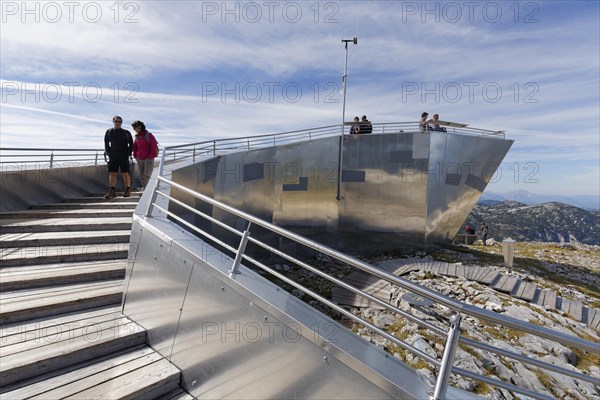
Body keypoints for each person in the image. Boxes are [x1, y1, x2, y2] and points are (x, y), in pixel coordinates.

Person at [104, 116, 133, 199]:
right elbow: (106, 143)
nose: (118, 123)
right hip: (113, 155)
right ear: (113, 121)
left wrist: (128, 153)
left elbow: (131, 144)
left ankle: (128, 190)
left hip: (124, 155)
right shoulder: (109, 131)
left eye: (120, 122)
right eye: (116, 121)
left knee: (125, 173)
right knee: (112, 173)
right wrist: (109, 153)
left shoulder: (126, 132)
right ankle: (112, 191)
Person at [132, 120, 159, 191]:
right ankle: (145, 189)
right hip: (139, 159)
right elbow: (135, 147)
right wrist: (135, 155)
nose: (134, 129)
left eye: (135, 127)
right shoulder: (137, 137)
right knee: (142, 175)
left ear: (139, 127)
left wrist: (150, 157)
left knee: (147, 175)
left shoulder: (149, 136)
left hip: (148, 158)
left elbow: (154, 147)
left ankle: (148, 190)